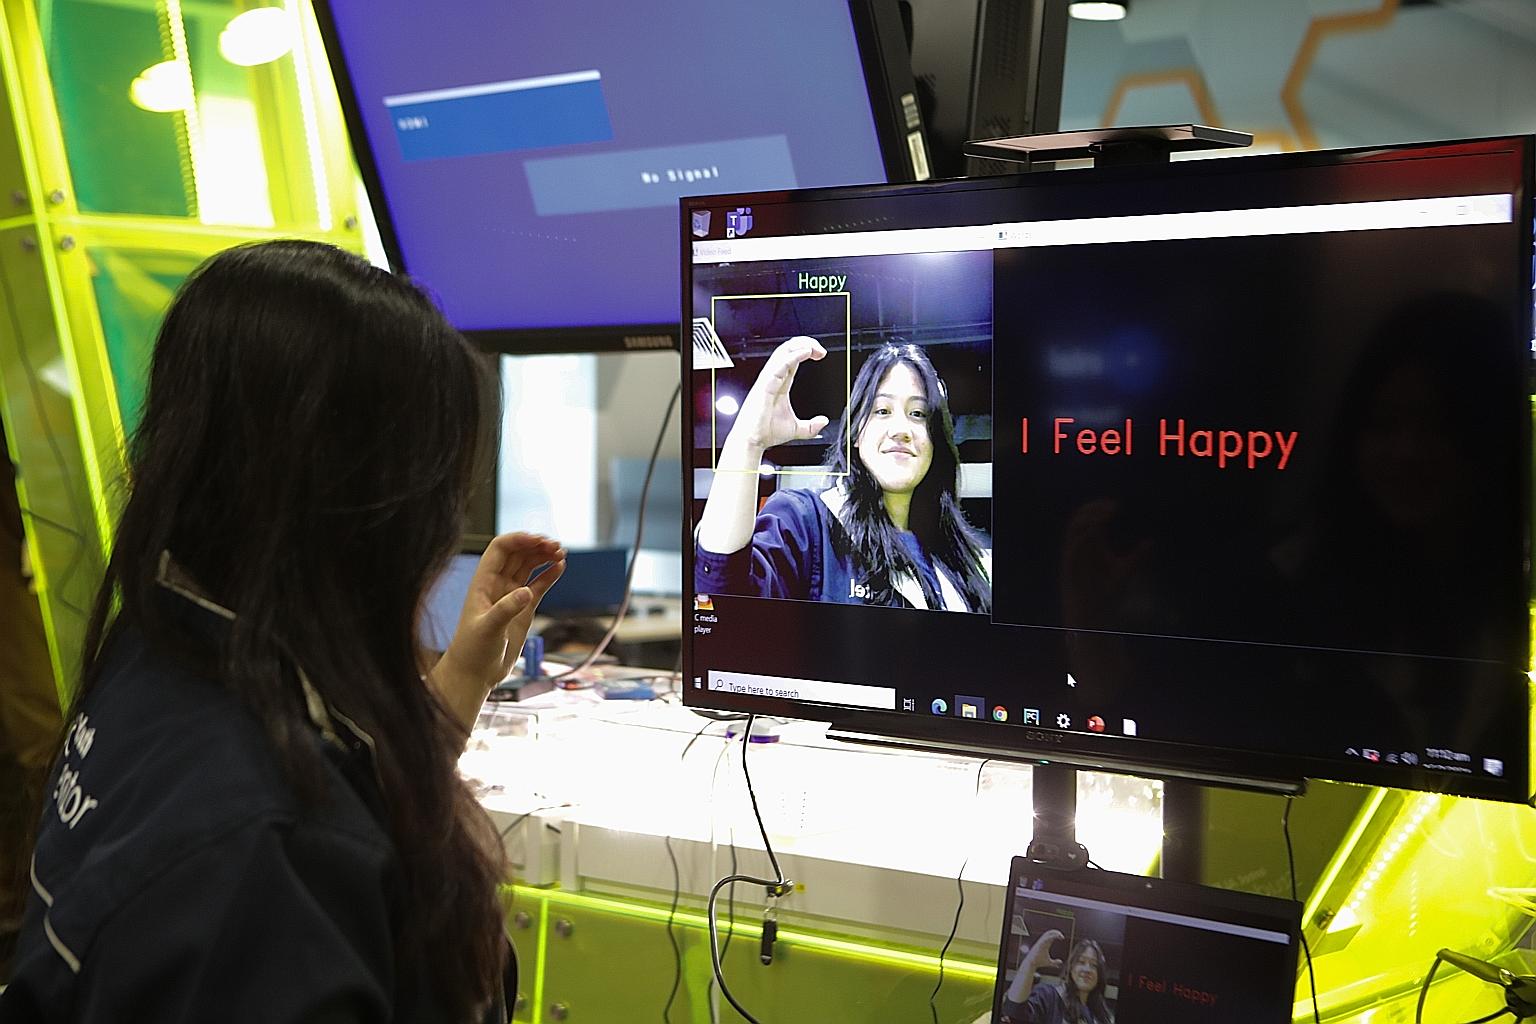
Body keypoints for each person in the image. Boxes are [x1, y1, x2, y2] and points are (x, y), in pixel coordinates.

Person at [0, 240, 565, 1023]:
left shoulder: (161, 648)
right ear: (370, 512)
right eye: (441, 489)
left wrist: (452, 695)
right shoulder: (272, 860)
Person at [695, 337, 990, 612]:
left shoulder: (965, 559)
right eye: (882, 411)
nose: (901, 430)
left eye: (918, 414)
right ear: (857, 434)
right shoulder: (805, 523)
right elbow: (723, 605)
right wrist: (748, 441)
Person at [1000, 930, 1114, 1024]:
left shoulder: (1100, 1015)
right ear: (1071, 968)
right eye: (1081, 962)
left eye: (1094, 965)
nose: (1087, 969)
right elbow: (1015, 1011)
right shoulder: (1049, 996)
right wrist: (1030, 964)